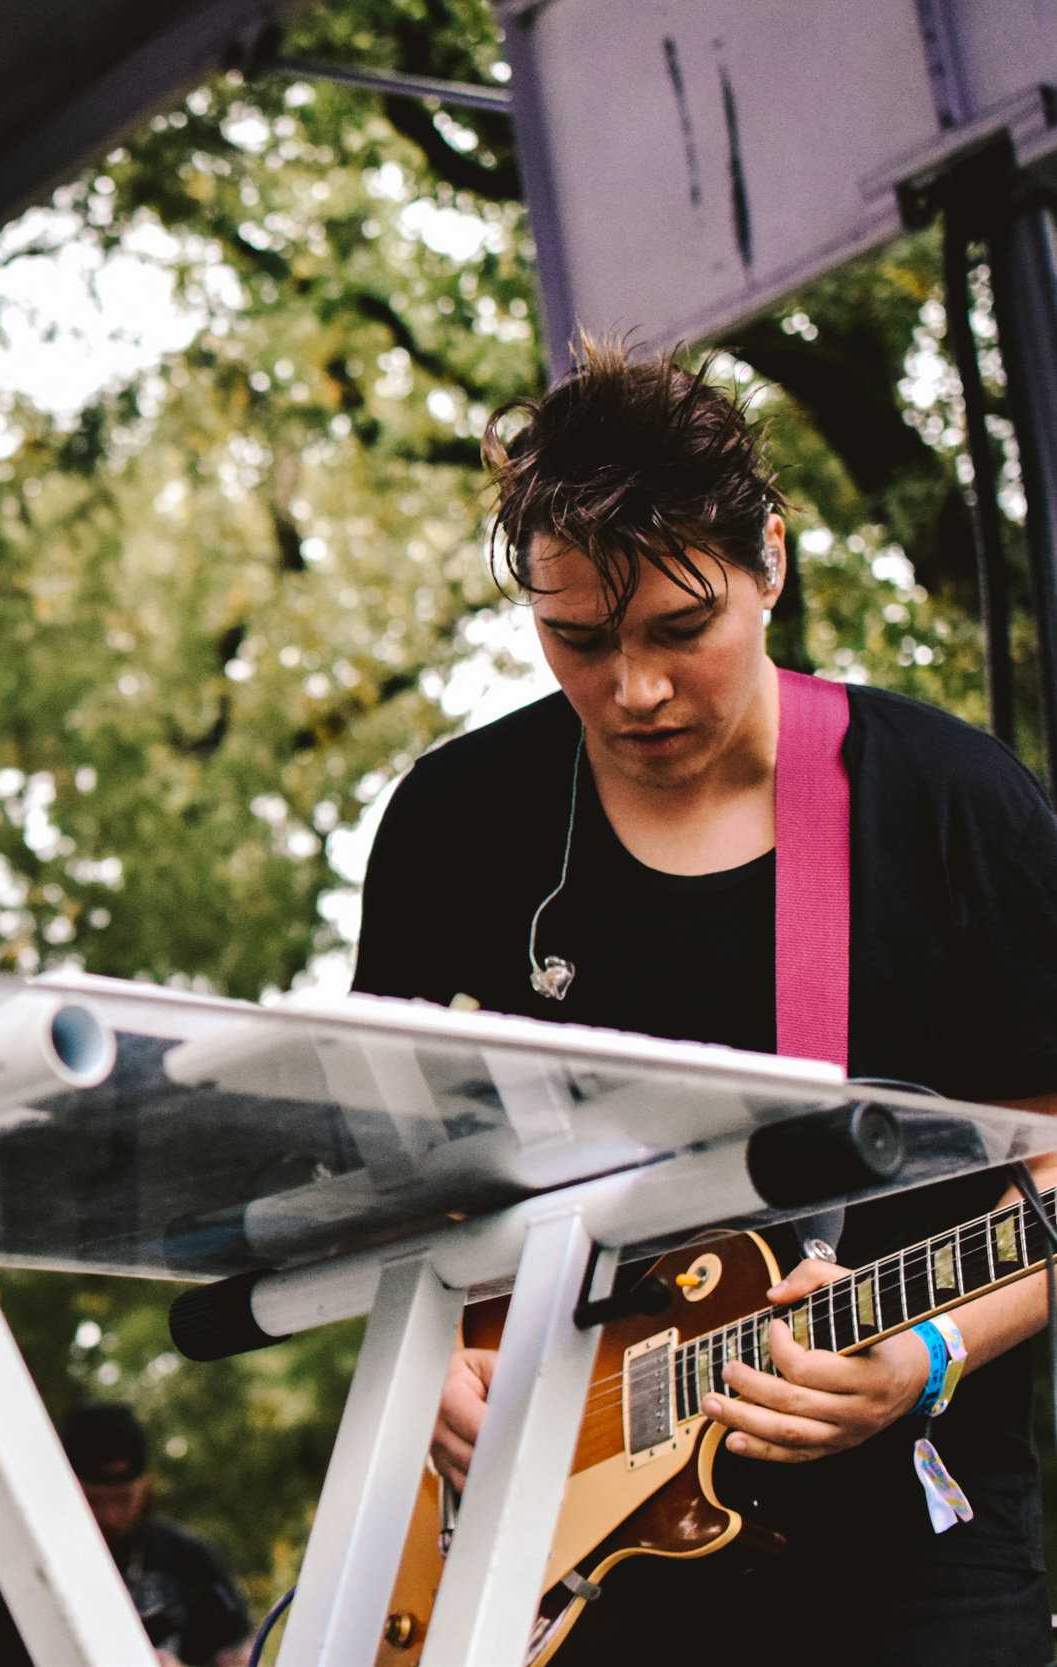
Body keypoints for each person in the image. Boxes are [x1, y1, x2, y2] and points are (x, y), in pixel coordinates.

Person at [352, 336, 1057, 1662]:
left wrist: (936, 1354)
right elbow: (389, 1169)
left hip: (912, 1550)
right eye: (579, 638)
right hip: (550, 1535)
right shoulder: (455, 822)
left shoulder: (956, 807)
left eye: (683, 627)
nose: (635, 688)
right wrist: (429, 1355)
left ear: (771, 561)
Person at [0, 1404, 251, 1667]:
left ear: (146, 1485)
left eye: (122, 1499)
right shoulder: (14, 1575)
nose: (110, 1517)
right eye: (93, 1500)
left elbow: (239, 1654)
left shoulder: (190, 1559)